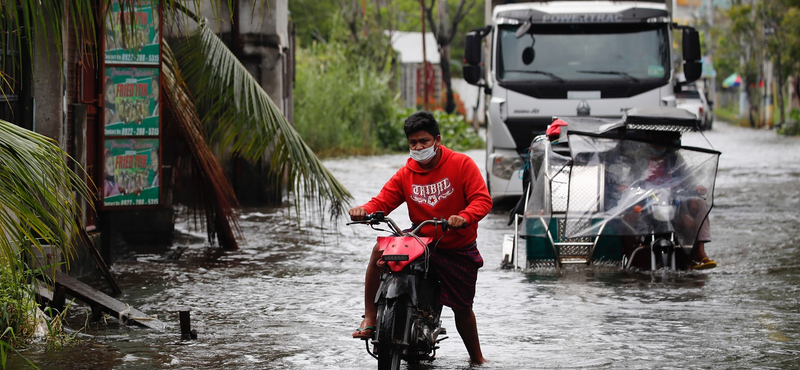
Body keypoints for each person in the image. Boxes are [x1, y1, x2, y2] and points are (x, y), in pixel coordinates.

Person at [349, 111, 492, 364]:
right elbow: (382, 200)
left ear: (437, 139)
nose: (418, 148)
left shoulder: (461, 164)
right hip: (422, 240)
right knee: (378, 250)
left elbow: (482, 199)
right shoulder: (406, 173)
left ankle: (477, 359)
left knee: (462, 307)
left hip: (457, 246)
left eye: (423, 142)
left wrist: (465, 216)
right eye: (413, 143)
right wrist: (365, 211)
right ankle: (370, 317)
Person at [620, 131, 716, 270]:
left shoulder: (675, 159)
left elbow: (689, 180)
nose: (658, 143)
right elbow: (630, 180)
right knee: (627, 221)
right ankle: (633, 260)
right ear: (648, 140)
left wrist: (697, 187)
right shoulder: (640, 158)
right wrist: (625, 186)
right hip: (645, 204)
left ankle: (698, 252)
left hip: (673, 203)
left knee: (697, 208)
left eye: (661, 139)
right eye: (654, 139)